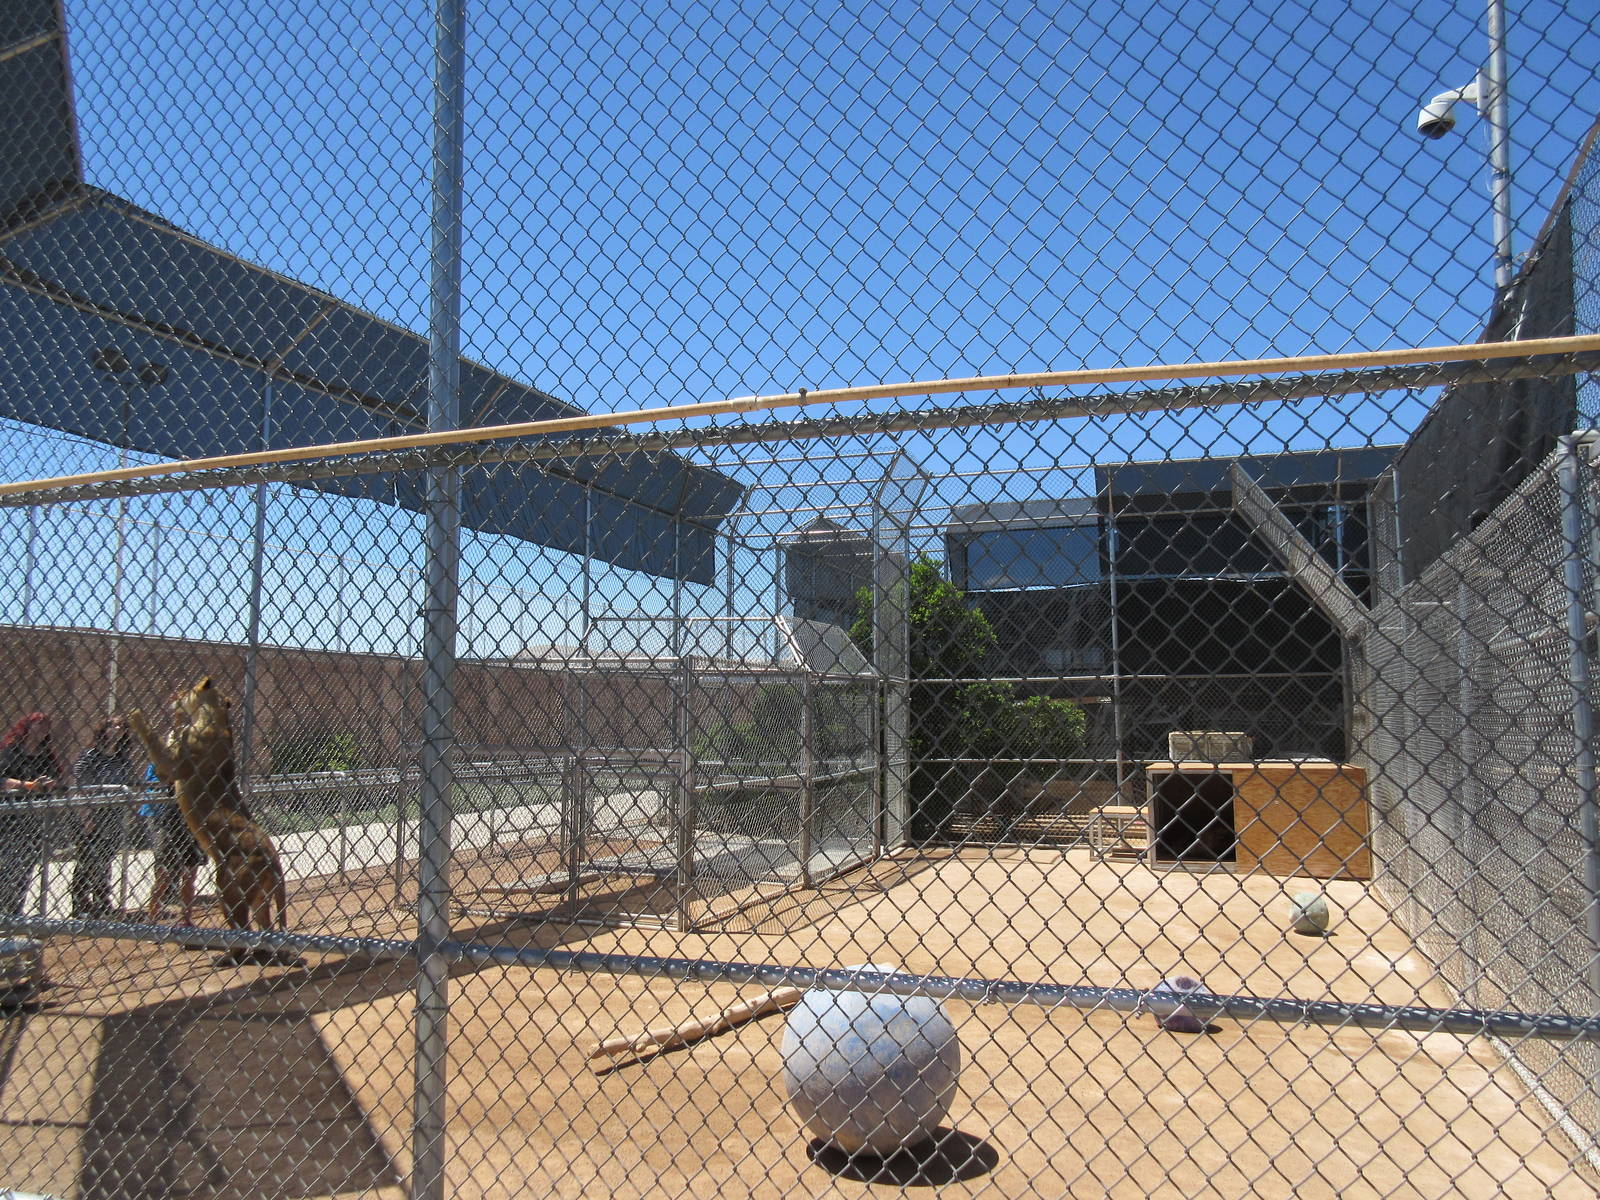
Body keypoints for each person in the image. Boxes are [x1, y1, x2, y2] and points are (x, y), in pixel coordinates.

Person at [69, 714, 138, 918]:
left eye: (121, 726)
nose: (117, 729)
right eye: (112, 726)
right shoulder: (90, 755)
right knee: (87, 859)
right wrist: (86, 816)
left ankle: (102, 901)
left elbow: (130, 782)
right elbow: (80, 786)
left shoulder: (121, 758)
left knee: (105, 859)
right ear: (103, 729)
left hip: (113, 816)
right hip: (90, 813)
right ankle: (80, 902)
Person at [142, 702, 203, 926]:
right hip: (171, 820)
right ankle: (152, 919)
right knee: (165, 873)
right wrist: (178, 716)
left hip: (193, 820)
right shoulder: (166, 762)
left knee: (190, 873)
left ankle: (186, 920)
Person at [0, 712, 62, 917]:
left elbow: (57, 778)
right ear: (27, 727)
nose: (42, 729)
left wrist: (49, 784)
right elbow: (2, 780)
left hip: (34, 821)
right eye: (38, 724)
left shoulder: (46, 755)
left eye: (46, 726)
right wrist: (29, 786)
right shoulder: (11, 751)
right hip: (9, 819)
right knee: (8, 867)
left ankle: (14, 914)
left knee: (24, 870)